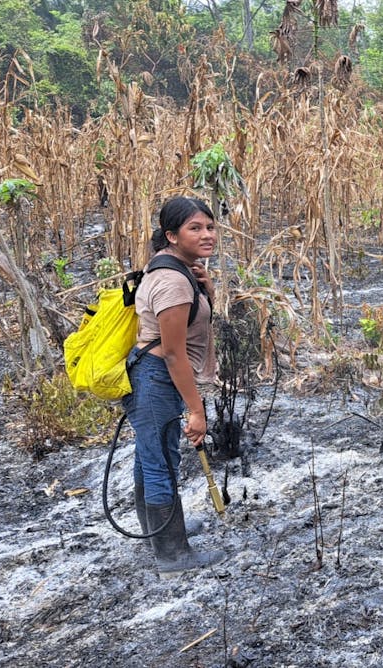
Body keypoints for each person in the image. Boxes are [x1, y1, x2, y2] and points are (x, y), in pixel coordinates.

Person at [123, 196, 226, 575]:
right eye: (194, 228)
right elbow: (172, 354)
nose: (207, 235)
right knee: (159, 462)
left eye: (210, 226)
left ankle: (159, 532)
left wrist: (207, 290)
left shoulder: (179, 270)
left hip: (152, 377)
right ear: (171, 235)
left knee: (153, 455)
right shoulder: (173, 283)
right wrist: (197, 410)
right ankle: (172, 553)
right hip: (156, 378)